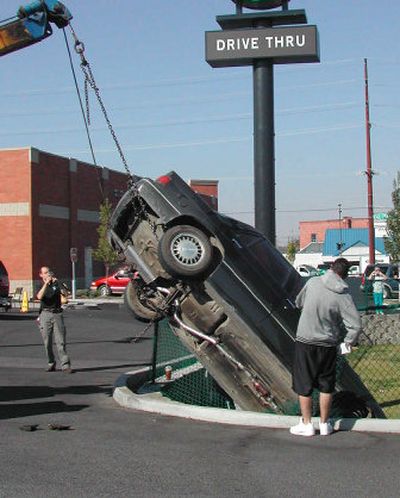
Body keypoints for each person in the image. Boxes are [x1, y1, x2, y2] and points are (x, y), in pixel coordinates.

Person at [290, 257, 362, 437]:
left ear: (331, 268)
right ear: (345, 275)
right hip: (328, 344)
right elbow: (356, 325)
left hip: (305, 340)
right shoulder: (343, 295)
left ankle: (306, 423)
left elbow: (299, 302)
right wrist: (348, 341)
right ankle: (324, 423)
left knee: (303, 385)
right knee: (326, 385)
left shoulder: (313, 282)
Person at [37, 266, 72, 373]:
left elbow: (65, 297)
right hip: (45, 313)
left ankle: (65, 365)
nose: (47, 274)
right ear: (41, 275)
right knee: (47, 341)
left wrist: (60, 287)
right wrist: (46, 284)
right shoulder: (41, 285)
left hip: (57, 313)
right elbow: (39, 296)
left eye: (48, 272)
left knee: (60, 341)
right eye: (45, 273)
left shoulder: (57, 284)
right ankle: (51, 362)